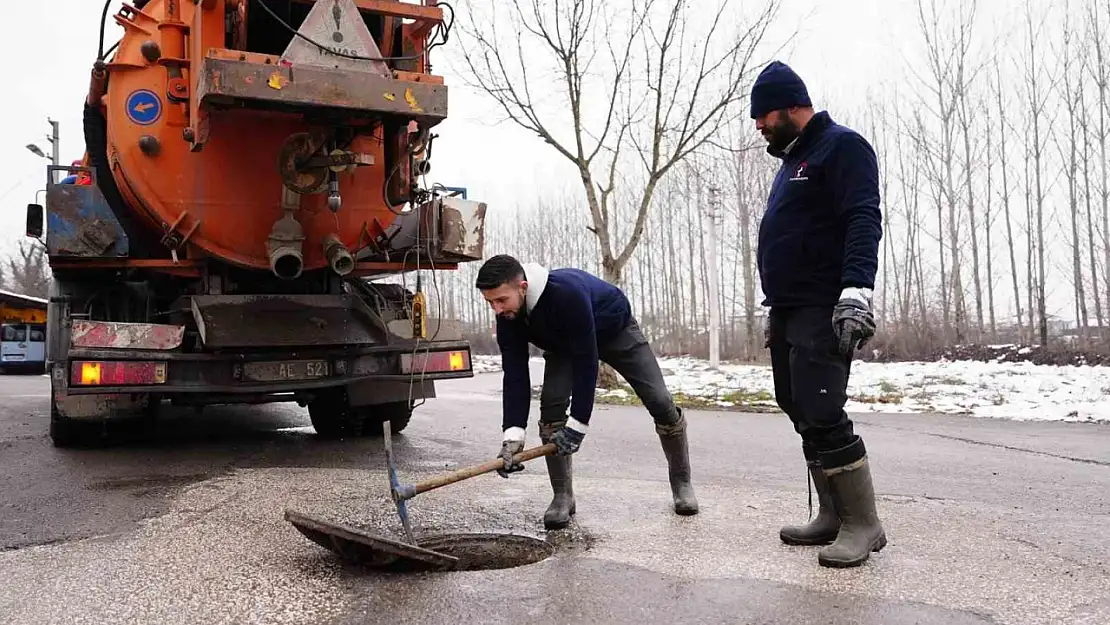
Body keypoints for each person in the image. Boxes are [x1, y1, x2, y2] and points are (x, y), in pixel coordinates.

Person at [750, 60, 886, 568]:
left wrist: (856, 291)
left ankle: (864, 524)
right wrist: (775, 304)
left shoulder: (842, 147)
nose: (758, 126)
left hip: (824, 305)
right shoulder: (791, 162)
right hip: (788, 307)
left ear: (790, 107)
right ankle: (832, 514)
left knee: (823, 408)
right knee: (797, 404)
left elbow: (862, 217)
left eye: (763, 116)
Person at [475, 254, 698, 529]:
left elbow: (587, 361)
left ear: (522, 287)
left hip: (615, 329)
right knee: (551, 406)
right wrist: (513, 435)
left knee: (660, 401)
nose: (497, 309)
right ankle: (562, 497)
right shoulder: (507, 318)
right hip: (564, 345)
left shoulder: (566, 295)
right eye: (490, 303)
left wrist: (578, 425)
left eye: (501, 300)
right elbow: (515, 376)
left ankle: (682, 481)